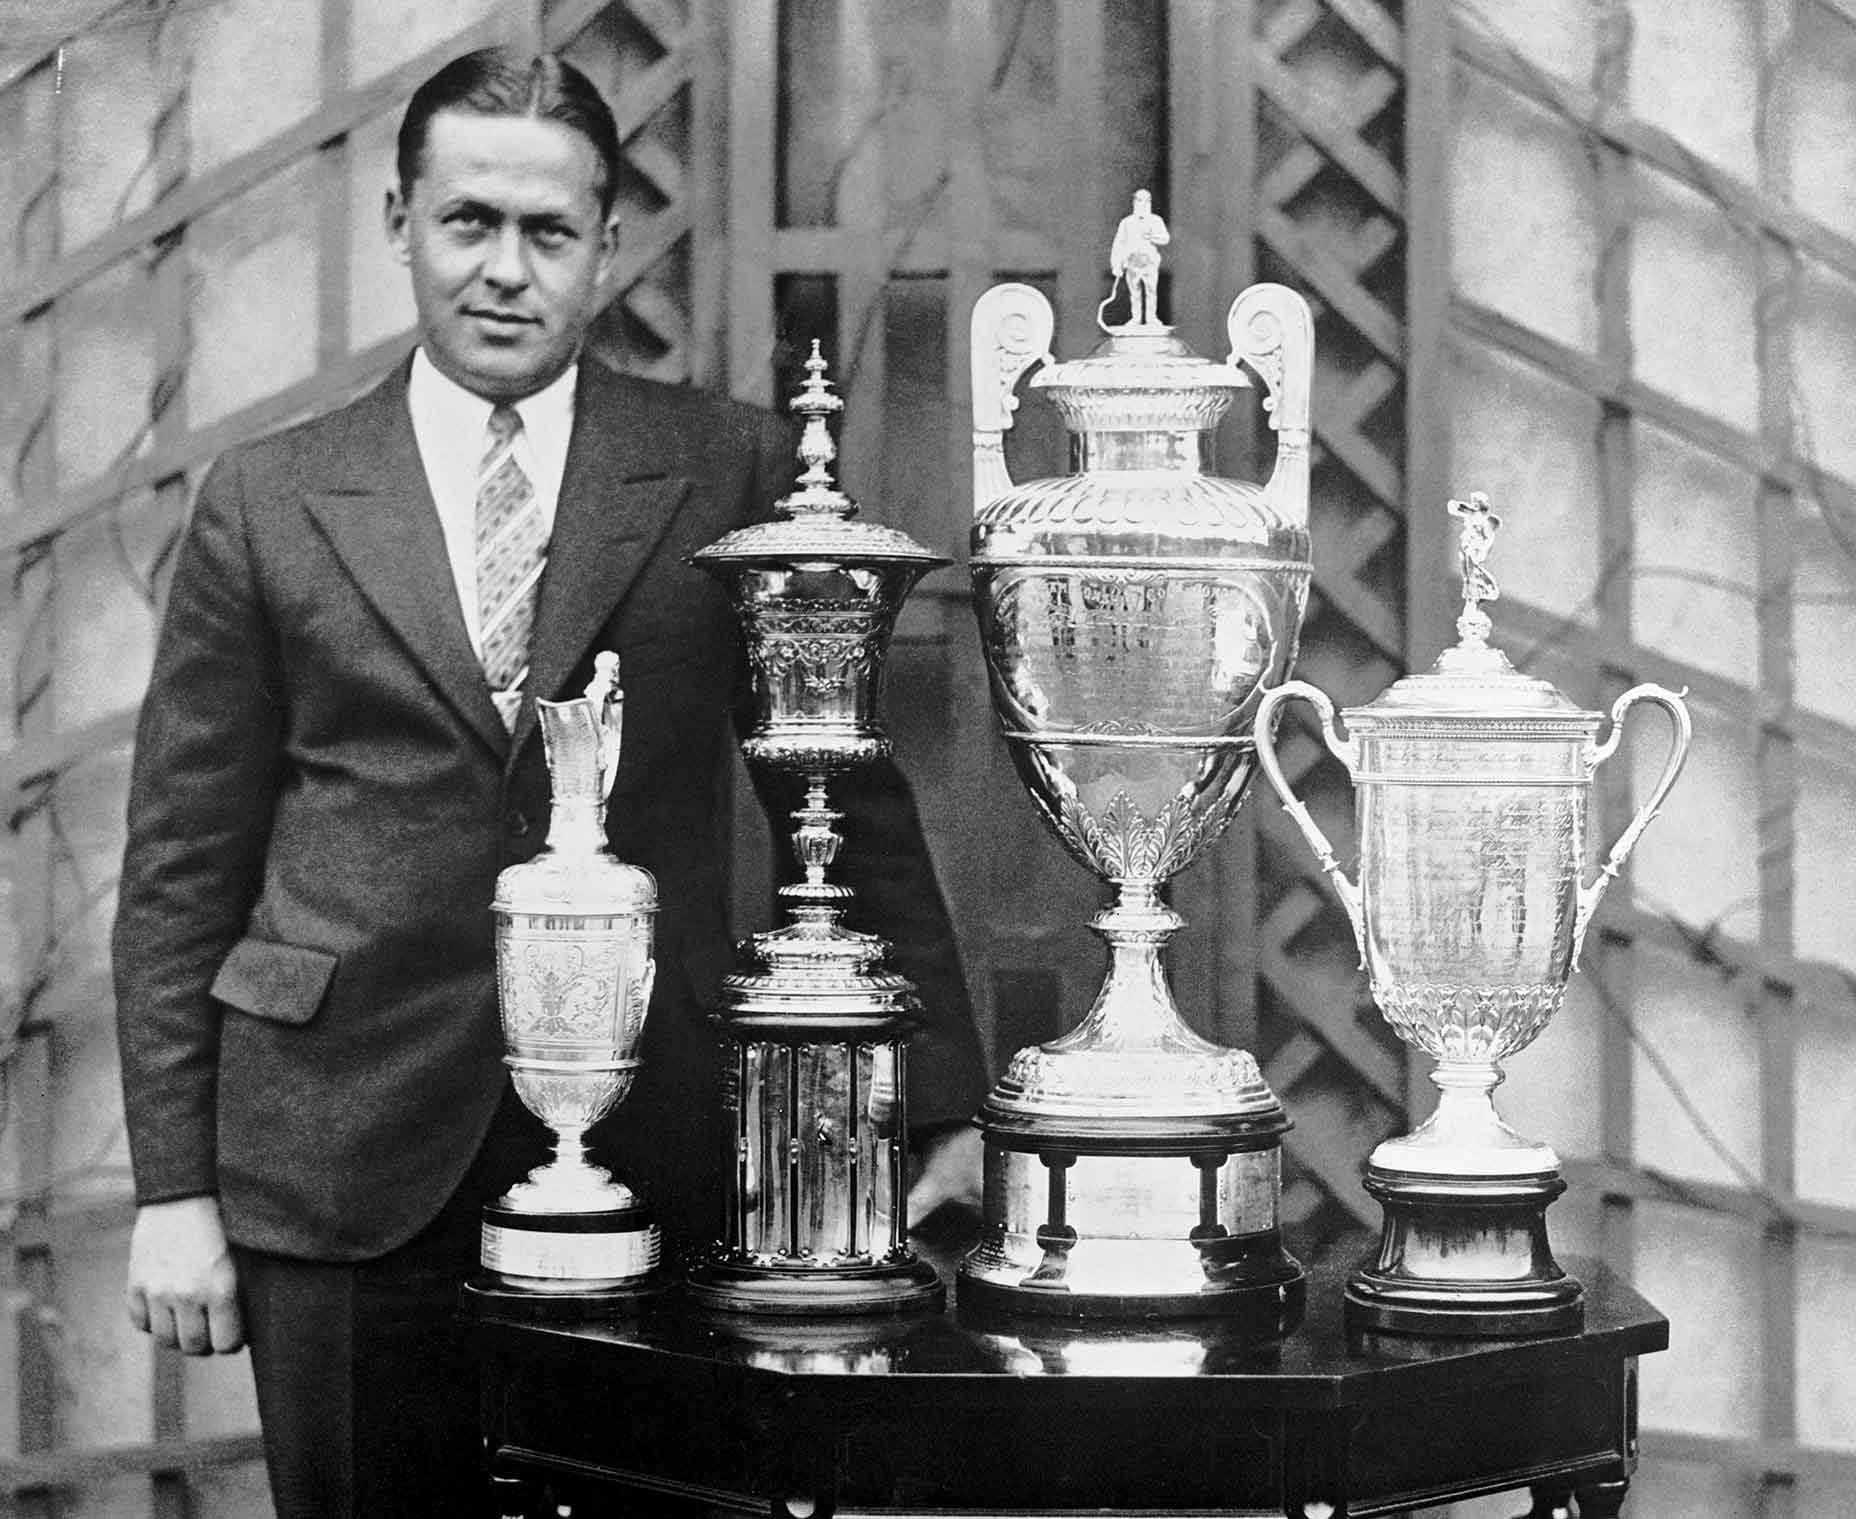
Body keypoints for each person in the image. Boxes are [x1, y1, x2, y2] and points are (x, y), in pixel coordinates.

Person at [112, 47, 986, 1519]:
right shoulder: (268, 497)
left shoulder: (727, 469)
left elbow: (846, 801)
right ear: (401, 222)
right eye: (468, 223)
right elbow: (182, 866)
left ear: (604, 244)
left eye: (548, 232)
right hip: (340, 1153)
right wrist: (173, 1188)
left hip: (662, 1145)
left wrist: (944, 1097)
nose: (504, 270)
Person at [1109, 188, 1169, 327]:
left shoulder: (1155, 220)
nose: (1143, 204)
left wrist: (1152, 237)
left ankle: (1151, 318)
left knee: (1151, 291)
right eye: (1140, 200)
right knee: (1134, 292)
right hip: (1132, 264)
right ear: (1134, 202)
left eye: (1147, 201)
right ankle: (1136, 318)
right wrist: (1116, 265)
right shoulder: (1126, 223)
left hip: (1149, 263)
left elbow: (1165, 238)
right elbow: (1118, 244)